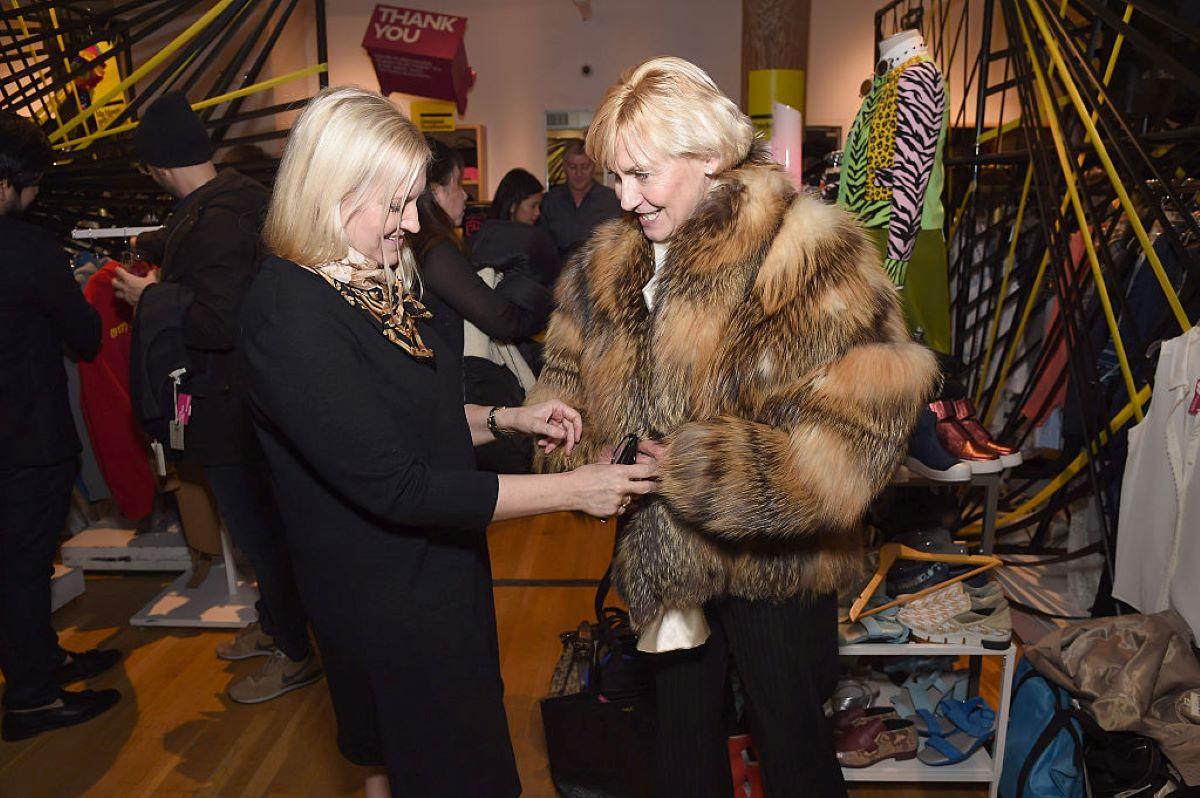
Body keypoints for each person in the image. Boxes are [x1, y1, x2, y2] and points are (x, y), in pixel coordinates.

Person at [526, 57, 940, 797]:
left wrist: (704, 467)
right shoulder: (608, 261)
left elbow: (862, 431)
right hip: (659, 550)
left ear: (709, 155)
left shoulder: (805, 248)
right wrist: (580, 445)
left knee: (795, 743)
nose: (626, 197)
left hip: (775, 561)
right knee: (680, 746)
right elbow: (566, 378)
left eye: (642, 174)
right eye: (617, 177)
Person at [238, 85, 657, 798]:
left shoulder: (366, 279)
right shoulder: (289, 312)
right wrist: (572, 489)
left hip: (436, 573)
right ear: (330, 188)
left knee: (424, 761)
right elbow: (396, 482)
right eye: (396, 202)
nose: (410, 221)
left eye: (414, 201)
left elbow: (402, 415)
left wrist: (505, 420)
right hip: (387, 598)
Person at [112, 91, 319, 704]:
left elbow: (218, 322)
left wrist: (150, 299)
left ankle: (294, 653)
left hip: (230, 407)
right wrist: (156, 249)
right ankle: (282, 625)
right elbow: (200, 249)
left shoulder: (219, 221)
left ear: (159, 168)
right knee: (262, 529)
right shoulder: (233, 201)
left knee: (259, 533)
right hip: (250, 402)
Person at [0, 111, 121, 742]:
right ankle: (32, 699)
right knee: (22, 567)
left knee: (13, 562)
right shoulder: (25, 247)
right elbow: (85, 335)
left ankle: (40, 663)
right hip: (27, 437)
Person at [413, 139, 552, 363]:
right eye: (459, 184)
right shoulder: (436, 251)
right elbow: (502, 319)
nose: (466, 195)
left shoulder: (427, 246)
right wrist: (548, 305)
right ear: (437, 192)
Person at [468, 167, 561, 286]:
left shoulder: (487, 235)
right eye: (533, 206)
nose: (538, 212)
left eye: (539, 206)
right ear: (513, 205)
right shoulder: (492, 240)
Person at [538, 137, 622, 259]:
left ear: (594, 167)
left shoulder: (612, 201)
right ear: (564, 167)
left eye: (585, 167)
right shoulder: (549, 201)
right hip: (555, 275)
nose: (579, 173)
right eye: (572, 167)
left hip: (598, 275)